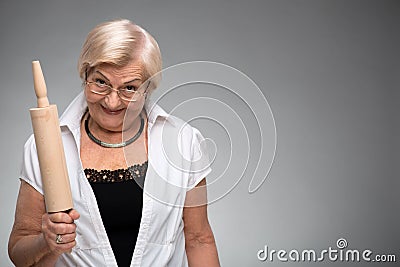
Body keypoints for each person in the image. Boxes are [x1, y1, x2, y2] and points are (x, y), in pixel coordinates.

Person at [8, 19, 220, 267]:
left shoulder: (183, 142)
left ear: (148, 88)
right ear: (84, 74)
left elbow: (199, 240)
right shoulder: (43, 146)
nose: (111, 102)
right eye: (100, 82)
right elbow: (19, 250)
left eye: (129, 88)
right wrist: (46, 242)